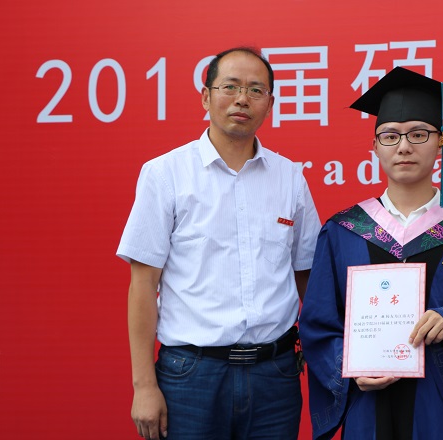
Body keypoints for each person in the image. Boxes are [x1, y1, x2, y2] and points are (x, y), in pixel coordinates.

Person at [299, 67, 443, 440]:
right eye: (390, 136)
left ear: (440, 142)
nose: (403, 147)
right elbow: (319, 325)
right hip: (368, 406)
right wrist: (349, 368)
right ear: (375, 146)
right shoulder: (343, 232)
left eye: (418, 134)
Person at [117, 46, 321, 440]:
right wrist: (143, 386)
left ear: (270, 104)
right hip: (191, 376)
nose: (242, 99)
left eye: (256, 90)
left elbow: (307, 277)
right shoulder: (165, 174)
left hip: (275, 376)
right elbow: (142, 285)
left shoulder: (290, 178)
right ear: (206, 97)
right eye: (230, 87)